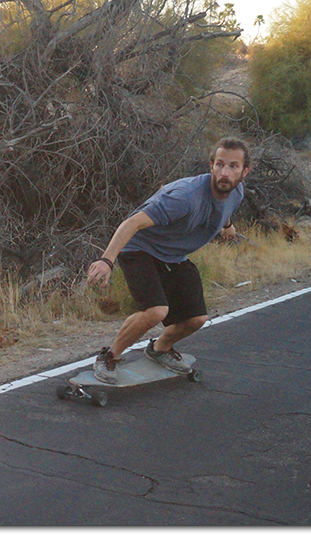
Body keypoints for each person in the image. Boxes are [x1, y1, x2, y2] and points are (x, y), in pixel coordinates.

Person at [86, 137, 251, 383]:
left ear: (244, 171)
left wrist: (228, 226)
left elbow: (224, 208)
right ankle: (109, 356)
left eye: (233, 166)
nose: (225, 172)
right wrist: (106, 261)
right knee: (156, 311)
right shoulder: (185, 197)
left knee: (197, 319)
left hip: (174, 256)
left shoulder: (236, 191)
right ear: (211, 165)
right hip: (140, 248)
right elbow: (133, 222)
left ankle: (159, 349)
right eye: (220, 164)